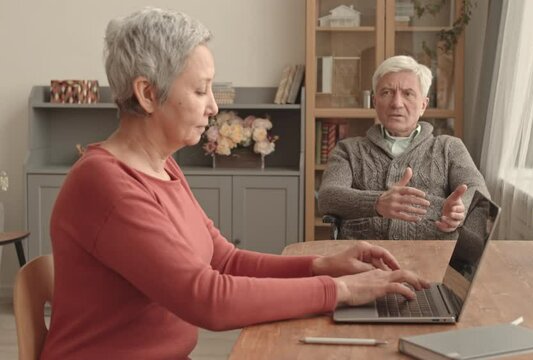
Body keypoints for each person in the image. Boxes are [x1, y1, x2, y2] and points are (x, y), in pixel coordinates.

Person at [40, 8, 427, 359]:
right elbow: (208, 299)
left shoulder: (163, 167)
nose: (213, 106)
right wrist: (339, 291)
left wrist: (321, 266)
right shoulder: (105, 183)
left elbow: (224, 261)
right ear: (147, 94)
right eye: (199, 89)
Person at [317, 55, 489, 240]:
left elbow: (478, 194)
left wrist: (459, 210)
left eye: (408, 93)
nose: (397, 103)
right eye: (387, 93)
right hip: (364, 260)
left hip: (431, 260)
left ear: (423, 104)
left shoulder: (448, 147)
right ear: (375, 102)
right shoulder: (348, 150)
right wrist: (377, 203)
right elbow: (327, 196)